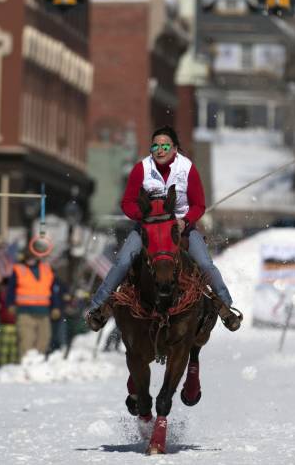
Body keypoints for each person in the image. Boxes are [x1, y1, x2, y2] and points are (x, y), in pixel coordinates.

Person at [85, 125, 240, 331]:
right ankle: (98, 308)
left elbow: (199, 205)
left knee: (204, 263)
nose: (159, 150)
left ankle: (225, 306)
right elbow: (128, 203)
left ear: (174, 148)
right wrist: (145, 217)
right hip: (147, 228)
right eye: (155, 146)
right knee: (122, 262)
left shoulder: (187, 169)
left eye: (165, 145)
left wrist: (185, 220)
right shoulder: (141, 169)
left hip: (181, 229)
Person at [6, 249, 62, 357]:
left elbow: (53, 290)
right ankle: (26, 365)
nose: (30, 259)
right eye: (28, 257)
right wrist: (10, 304)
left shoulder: (46, 269)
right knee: (26, 340)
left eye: (32, 257)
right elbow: (11, 289)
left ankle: (38, 364)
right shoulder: (19, 270)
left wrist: (56, 307)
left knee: (44, 339)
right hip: (25, 312)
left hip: (43, 312)